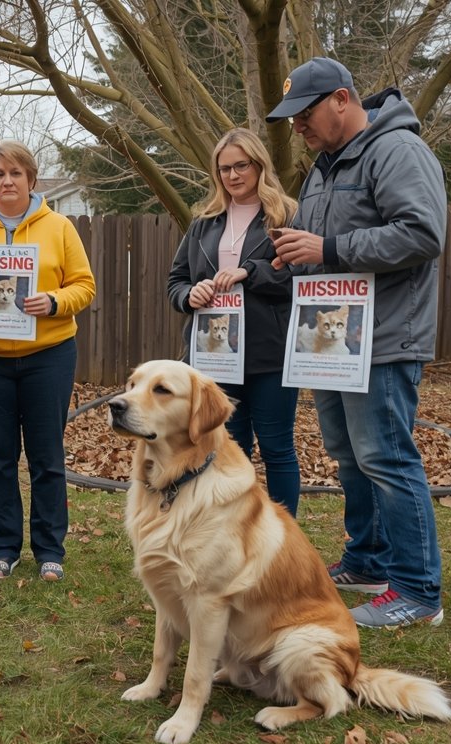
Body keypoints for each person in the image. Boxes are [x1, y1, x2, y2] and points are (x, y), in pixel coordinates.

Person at [268, 57, 446, 627]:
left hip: (385, 339)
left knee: (386, 457)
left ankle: (418, 591)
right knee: (349, 456)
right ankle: (369, 561)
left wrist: (326, 250)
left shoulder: (397, 150)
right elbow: (328, 246)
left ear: (343, 99)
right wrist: (294, 257)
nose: (297, 126)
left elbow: (421, 233)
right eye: (291, 118)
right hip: (330, 338)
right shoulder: (322, 167)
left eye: (306, 113)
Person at [0, 139, 96, 582]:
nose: (8, 181)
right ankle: (3, 546)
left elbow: (84, 286)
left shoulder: (59, 227)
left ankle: (50, 548)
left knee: (46, 456)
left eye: (16, 173)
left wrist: (53, 301)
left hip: (48, 355)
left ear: (32, 179)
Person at [166, 127, 301, 517]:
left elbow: (300, 277)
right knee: (225, 447)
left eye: (241, 165)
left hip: (268, 354)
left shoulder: (287, 214)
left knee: (277, 447)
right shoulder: (204, 221)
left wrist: (250, 272)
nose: (233, 175)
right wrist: (187, 296)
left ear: (259, 165)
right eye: (224, 169)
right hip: (213, 357)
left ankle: (282, 538)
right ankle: (229, 530)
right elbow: (176, 280)